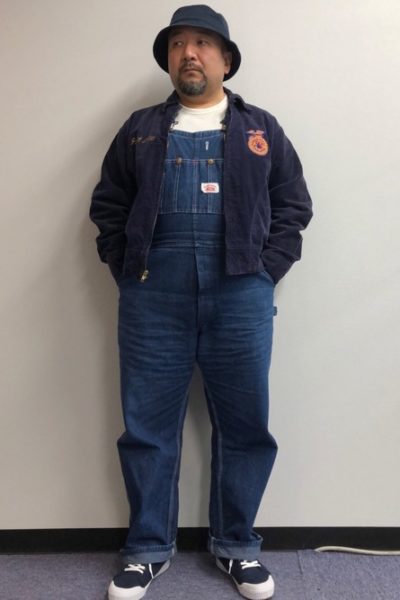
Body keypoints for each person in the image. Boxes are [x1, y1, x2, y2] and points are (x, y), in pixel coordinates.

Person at [90, 5, 312, 600]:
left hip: (241, 293)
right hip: (151, 294)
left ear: (226, 60)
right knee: (146, 427)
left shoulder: (261, 128)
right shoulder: (139, 129)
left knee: (245, 425)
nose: (189, 53)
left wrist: (265, 272)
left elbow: (293, 206)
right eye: (178, 44)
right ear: (168, 60)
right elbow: (109, 205)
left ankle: (237, 545)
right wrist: (126, 269)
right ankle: (146, 549)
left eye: (203, 43)